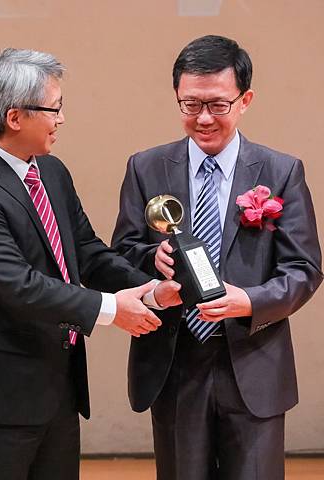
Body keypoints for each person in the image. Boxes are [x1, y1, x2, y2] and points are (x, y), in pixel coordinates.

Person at [0, 48, 182, 480]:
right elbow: (20, 286)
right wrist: (110, 309)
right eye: (54, 108)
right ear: (15, 117)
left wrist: (148, 288)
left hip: (58, 386)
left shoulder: (51, 172)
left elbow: (87, 251)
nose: (61, 119)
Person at [111, 35, 323, 480]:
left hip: (253, 361)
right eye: (191, 105)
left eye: (218, 105)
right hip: (176, 362)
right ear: (176, 97)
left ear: (245, 100)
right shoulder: (146, 167)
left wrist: (249, 302)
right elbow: (123, 253)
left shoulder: (280, 171)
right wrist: (155, 264)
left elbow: (304, 268)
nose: (203, 118)